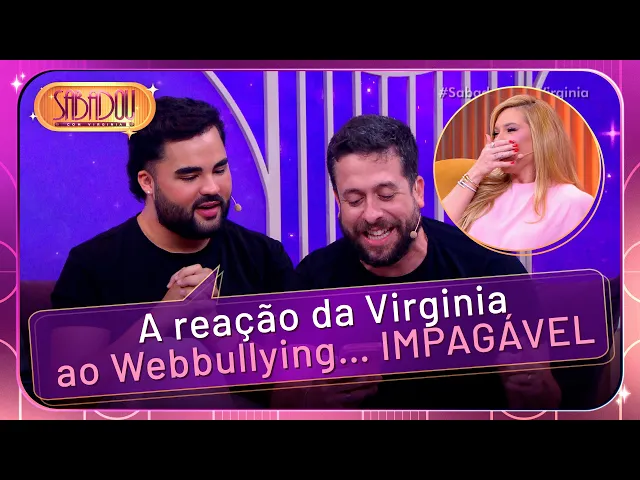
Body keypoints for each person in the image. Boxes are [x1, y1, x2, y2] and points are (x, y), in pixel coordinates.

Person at [273, 114, 563, 411]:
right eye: (355, 200)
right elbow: (280, 400)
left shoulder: (491, 270)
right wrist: (314, 399)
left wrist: (531, 388)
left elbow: (547, 402)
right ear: (338, 201)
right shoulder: (313, 280)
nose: (371, 214)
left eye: (386, 195)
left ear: (418, 191)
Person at [45, 96, 297, 408]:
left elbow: (292, 385)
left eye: (220, 169)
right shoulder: (93, 264)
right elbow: (70, 388)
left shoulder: (263, 256)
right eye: (190, 176)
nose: (212, 188)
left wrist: (217, 329)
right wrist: (161, 318)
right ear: (147, 182)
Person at [441, 94, 595, 252]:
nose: (498, 140)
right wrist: (477, 171)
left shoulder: (574, 201)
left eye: (511, 130)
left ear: (541, 137)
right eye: (495, 133)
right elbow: (437, 230)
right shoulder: (483, 186)